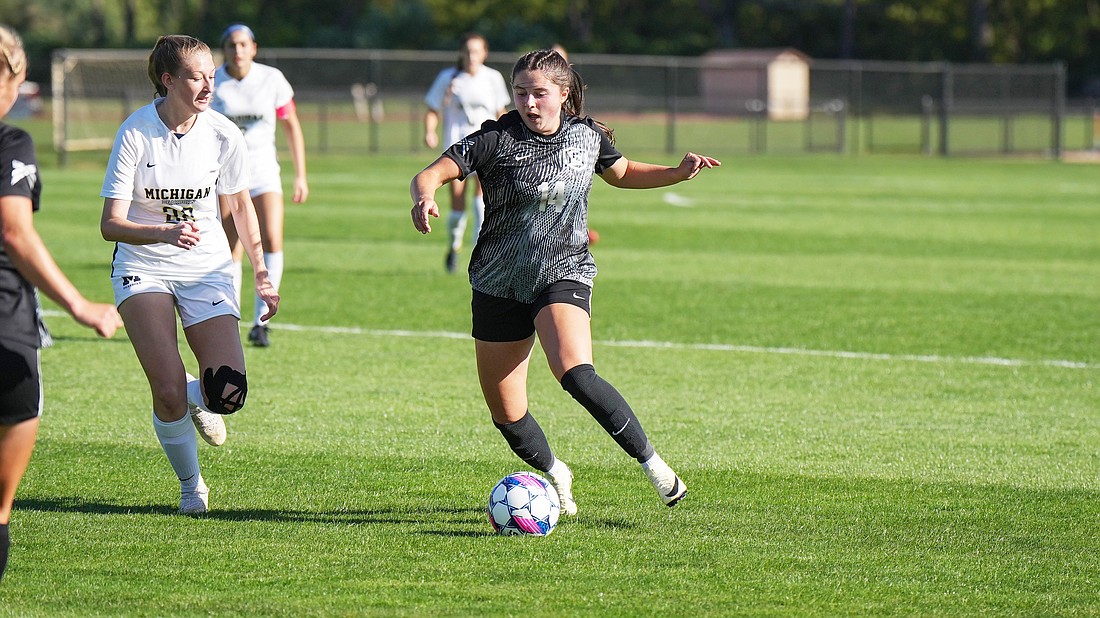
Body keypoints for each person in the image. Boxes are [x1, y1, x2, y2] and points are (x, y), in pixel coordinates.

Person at [410, 49, 719, 514]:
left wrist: (676, 173)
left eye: (539, 94)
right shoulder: (495, 138)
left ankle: (655, 466)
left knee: (575, 370)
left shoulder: (586, 136)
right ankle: (556, 472)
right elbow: (431, 173)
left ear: (563, 93)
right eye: (521, 93)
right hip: (497, 280)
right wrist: (424, 196)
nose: (529, 103)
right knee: (507, 414)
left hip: (563, 269)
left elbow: (625, 172)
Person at [100, 34, 279, 514]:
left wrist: (261, 272)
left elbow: (240, 205)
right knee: (166, 391)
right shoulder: (136, 132)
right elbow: (109, 225)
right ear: (168, 80)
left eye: (211, 76)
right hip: (143, 266)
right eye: (195, 77)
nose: (207, 86)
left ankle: (199, 396)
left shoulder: (223, 133)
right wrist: (162, 233)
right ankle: (191, 486)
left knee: (228, 394)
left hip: (208, 268)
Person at [0, 24, 122, 582]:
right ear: (17, 75)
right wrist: (80, 306)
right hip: (6, 327)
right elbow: (15, 233)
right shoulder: (10, 143)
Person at [212, 23, 307, 348]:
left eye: (243, 44)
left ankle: (261, 322)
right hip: (225, 176)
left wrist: (301, 175)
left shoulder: (272, 79)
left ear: (254, 47)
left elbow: (291, 125)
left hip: (264, 173)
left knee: (272, 241)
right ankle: (231, 318)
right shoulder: (213, 80)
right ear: (224, 49)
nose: (237, 50)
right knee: (231, 248)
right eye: (231, 45)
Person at [423, 33, 510, 273]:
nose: (471, 56)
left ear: (485, 53)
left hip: (487, 147)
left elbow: (501, 111)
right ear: (462, 53)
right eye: (468, 51)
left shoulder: (492, 78)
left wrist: (509, 140)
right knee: (457, 203)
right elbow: (432, 108)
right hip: (458, 148)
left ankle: (480, 252)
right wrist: (430, 131)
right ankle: (454, 246)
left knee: (482, 200)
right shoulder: (449, 78)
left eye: (476, 51)